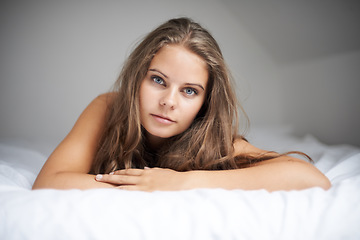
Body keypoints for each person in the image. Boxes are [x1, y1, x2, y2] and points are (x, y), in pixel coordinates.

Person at [32, 17, 330, 192]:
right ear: (137, 78)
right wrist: (144, 186)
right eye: (158, 80)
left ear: (204, 103)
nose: (168, 102)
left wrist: (181, 183)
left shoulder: (211, 139)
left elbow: (311, 177)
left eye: (189, 91)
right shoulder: (109, 107)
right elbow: (49, 181)